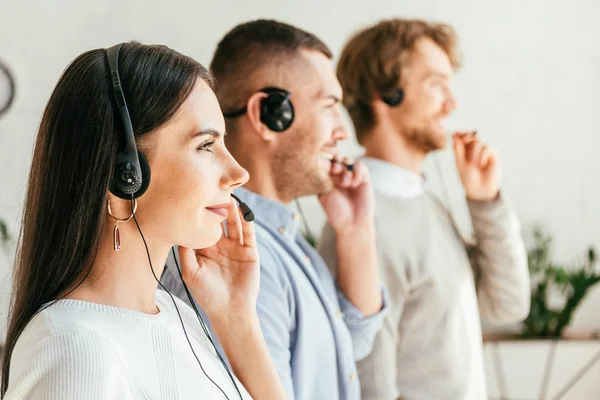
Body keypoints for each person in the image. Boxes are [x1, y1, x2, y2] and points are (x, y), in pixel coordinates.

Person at [1, 41, 287, 400]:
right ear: (126, 175)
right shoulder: (76, 351)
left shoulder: (173, 313)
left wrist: (236, 320)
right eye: (205, 146)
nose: (238, 173)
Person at [161, 19, 387, 400]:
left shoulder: (285, 241)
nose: (343, 132)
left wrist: (356, 230)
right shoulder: (233, 254)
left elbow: (351, 345)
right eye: (329, 106)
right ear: (269, 114)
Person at [317, 18, 532, 400]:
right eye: (436, 84)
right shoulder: (361, 221)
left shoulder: (422, 202)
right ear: (386, 92)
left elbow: (507, 305)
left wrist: (485, 202)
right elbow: (368, 386)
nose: (452, 103)